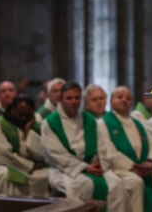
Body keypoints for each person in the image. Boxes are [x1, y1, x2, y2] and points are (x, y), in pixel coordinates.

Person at [41, 82, 141, 210]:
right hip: (66, 170)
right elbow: (56, 154)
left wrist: (99, 165)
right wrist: (85, 167)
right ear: (61, 99)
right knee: (84, 186)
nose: (73, 101)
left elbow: (102, 148)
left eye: (77, 98)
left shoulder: (90, 121)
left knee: (116, 186)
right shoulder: (50, 123)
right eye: (69, 98)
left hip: (93, 168)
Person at [96, 86, 152, 212]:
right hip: (120, 170)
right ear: (111, 101)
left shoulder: (138, 123)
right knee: (135, 182)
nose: (124, 100)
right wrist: (132, 167)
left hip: (145, 168)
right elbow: (108, 150)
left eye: (128, 98)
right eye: (120, 97)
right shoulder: (102, 123)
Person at [0, 95, 49, 197]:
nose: (23, 118)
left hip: (31, 167)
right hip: (0, 166)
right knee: (6, 176)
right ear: (12, 109)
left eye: (28, 114)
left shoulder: (34, 125)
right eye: (20, 114)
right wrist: (32, 165)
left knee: (49, 175)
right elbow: (3, 157)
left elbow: (43, 153)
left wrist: (28, 132)